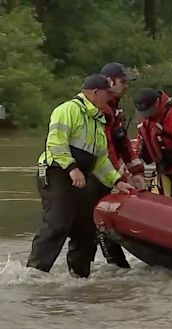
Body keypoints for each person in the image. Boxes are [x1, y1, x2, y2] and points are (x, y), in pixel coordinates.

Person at [28, 74, 135, 278]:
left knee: (86, 229)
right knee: (57, 223)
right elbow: (56, 143)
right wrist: (72, 168)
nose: (110, 100)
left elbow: (101, 160)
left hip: (81, 175)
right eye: (107, 95)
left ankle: (79, 277)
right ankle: (35, 275)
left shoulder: (97, 119)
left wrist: (117, 181)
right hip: (57, 171)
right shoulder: (67, 110)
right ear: (95, 93)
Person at [93, 62, 145, 269]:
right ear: (109, 81)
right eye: (123, 82)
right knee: (98, 223)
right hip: (97, 172)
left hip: (107, 172)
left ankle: (117, 266)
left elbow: (122, 142)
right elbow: (104, 146)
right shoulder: (101, 109)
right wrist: (117, 177)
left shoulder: (116, 109)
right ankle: (115, 265)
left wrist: (137, 171)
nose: (126, 86)